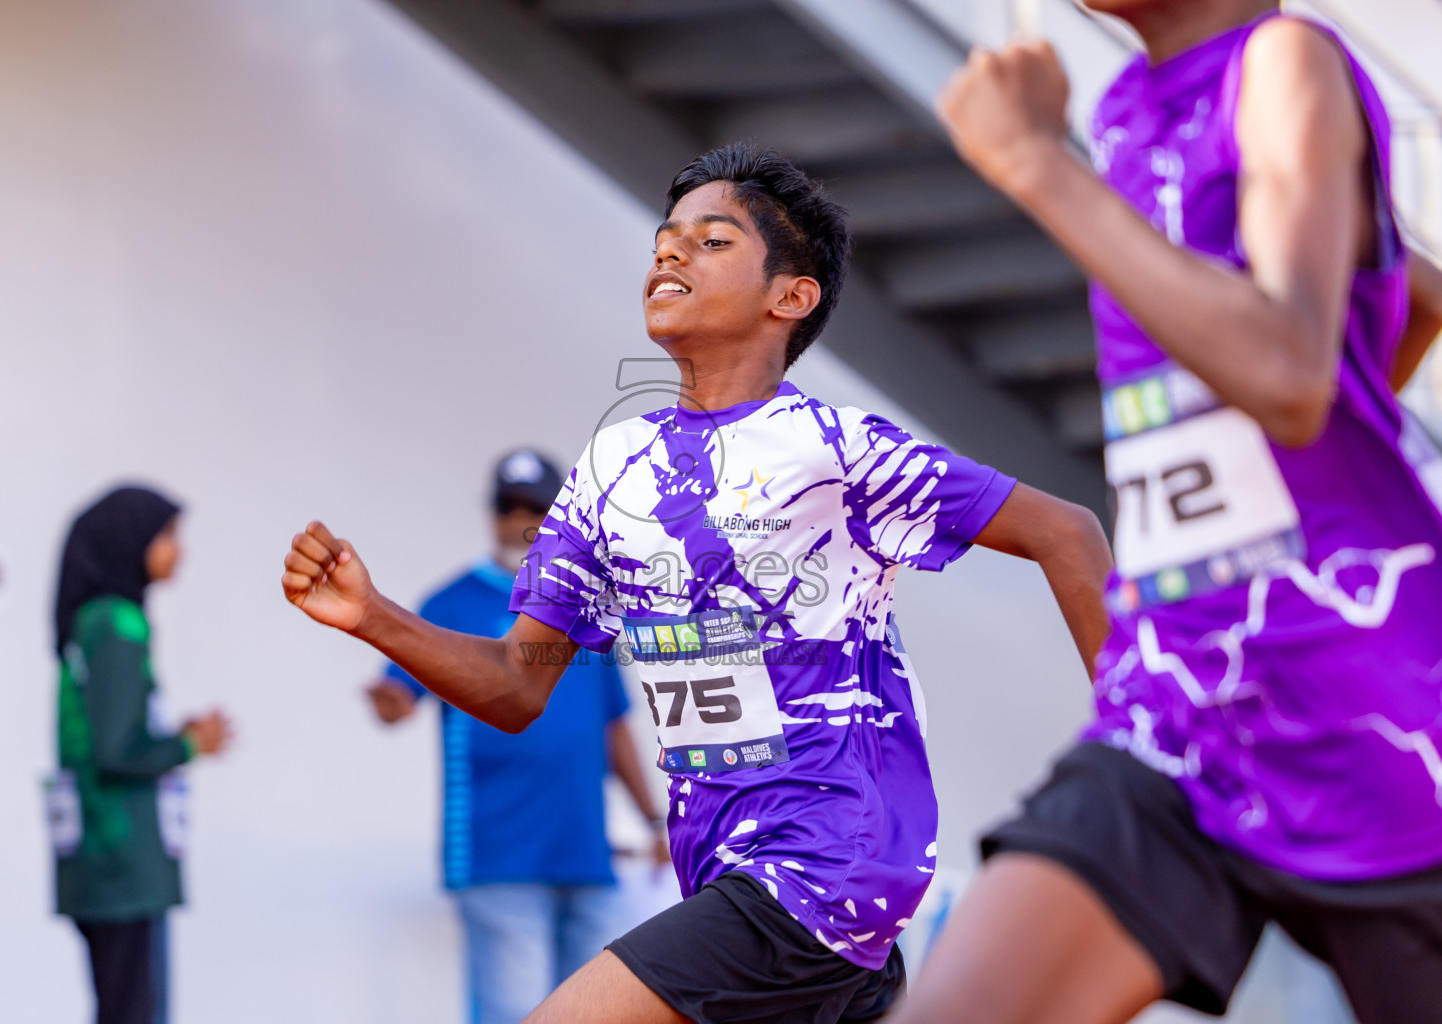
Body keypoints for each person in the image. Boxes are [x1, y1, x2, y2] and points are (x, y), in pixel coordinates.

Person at [281, 141, 1114, 1024]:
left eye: (710, 241)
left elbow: (1068, 532)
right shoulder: (612, 465)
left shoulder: (835, 449)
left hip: (819, 871)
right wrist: (373, 617)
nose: (669, 253)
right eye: (663, 239)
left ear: (791, 298)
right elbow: (518, 684)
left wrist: (1137, 763)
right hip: (731, 883)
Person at [887, 3, 1442, 1023]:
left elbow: (1285, 369)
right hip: (1181, 708)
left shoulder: (1284, 62)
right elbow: (1412, 291)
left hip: (1372, 729)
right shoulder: (1131, 106)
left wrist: (1036, 165)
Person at [365, 447, 671, 1024]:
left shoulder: (585, 606)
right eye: (508, 506)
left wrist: (653, 821)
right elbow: (397, 697)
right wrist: (386, 701)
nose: (517, 520)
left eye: (535, 506)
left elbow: (612, 726)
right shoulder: (450, 602)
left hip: (586, 855)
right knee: (516, 1015)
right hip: (498, 856)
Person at [51, 487, 232, 1024]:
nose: (180, 551)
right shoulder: (119, 622)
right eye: (169, 536)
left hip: (102, 861)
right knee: (135, 1011)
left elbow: (108, 730)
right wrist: (188, 745)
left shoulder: (93, 622)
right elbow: (114, 750)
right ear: (129, 542)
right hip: (122, 863)